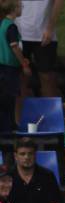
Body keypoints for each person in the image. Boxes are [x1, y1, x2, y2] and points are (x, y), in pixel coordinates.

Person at [16, 0, 62, 97]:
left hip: (44, 35)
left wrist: (50, 28)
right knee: (19, 77)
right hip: (18, 33)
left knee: (47, 77)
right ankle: (18, 112)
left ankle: (49, 111)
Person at [0, 0, 30, 133]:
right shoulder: (11, 26)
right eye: (20, 6)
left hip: (3, 66)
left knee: (7, 98)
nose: (22, 8)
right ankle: (9, 127)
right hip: (9, 68)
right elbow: (14, 47)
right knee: (9, 98)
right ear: (14, 9)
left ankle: (10, 125)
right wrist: (23, 63)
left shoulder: (3, 24)